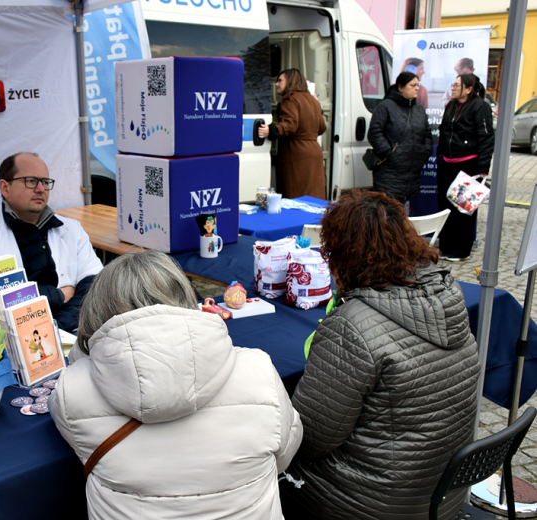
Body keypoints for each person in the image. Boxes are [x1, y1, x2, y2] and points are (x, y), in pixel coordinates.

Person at [50, 250, 303, 519]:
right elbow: (284, 454)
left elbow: (79, 364)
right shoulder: (259, 371)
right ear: (185, 298)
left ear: (96, 313)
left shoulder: (71, 391)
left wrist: (88, 345)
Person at [281, 190, 480, 520]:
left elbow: (309, 437)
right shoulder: (449, 294)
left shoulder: (353, 324)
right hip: (442, 495)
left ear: (342, 253)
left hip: (374, 504)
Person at [0, 152, 103, 332]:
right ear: (5, 188)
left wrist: (54, 330)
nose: (41, 189)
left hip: (70, 333)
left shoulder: (72, 229)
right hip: (9, 343)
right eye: (31, 181)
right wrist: (59, 295)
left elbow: (95, 289)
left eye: (45, 182)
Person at [436, 73, 495, 261]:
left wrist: (483, 168)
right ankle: (445, 247)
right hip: (447, 164)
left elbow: (486, 138)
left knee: (463, 209)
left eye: (457, 85)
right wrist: (440, 157)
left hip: (468, 165)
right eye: (453, 85)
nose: (452, 88)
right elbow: (444, 133)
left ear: (469, 89)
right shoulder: (451, 106)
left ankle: (461, 250)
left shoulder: (480, 107)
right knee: (445, 207)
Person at [257, 69, 327, 199]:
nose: (276, 84)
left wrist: (272, 129)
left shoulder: (290, 99)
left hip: (296, 154)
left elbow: (290, 124)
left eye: (280, 80)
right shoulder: (313, 101)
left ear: (290, 81)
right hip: (314, 152)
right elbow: (321, 128)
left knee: (295, 197)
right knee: (312, 197)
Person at [366, 71, 433, 204]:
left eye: (418, 85)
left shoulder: (419, 109)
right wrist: (389, 154)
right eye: (412, 85)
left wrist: (425, 152)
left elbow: (427, 134)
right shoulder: (385, 106)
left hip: (411, 172)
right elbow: (375, 133)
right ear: (400, 87)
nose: (417, 88)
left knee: (400, 211)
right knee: (387, 211)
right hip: (389, 172)